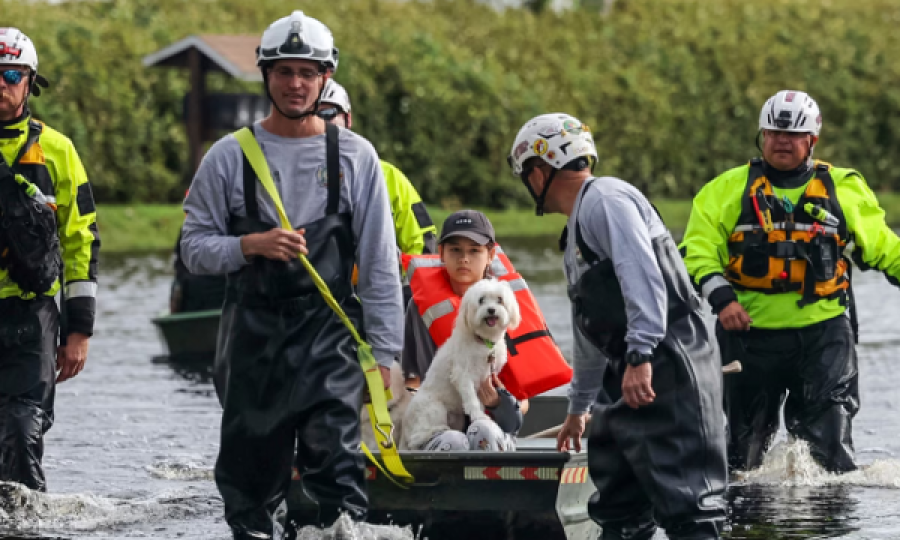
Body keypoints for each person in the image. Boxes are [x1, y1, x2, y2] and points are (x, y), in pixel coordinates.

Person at [179, 11, 403, 539]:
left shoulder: (357, 157)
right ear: (265, 75)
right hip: (252, 337)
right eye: (284, 72)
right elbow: (193, 250)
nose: (296, 83)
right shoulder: (227, 157)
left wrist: (388, 357)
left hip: (329, 336)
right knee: (249, 482)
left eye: (308, 72)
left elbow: (378, 266)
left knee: (337, 466)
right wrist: (248, 246)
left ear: (326, 77)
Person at [508, 113, 727, 539]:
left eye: (527, 175)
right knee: (618, 510)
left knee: (689, 507)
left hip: (669, 363)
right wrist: (578, 408)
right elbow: (590, 334)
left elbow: (640, 275)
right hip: (625, 373)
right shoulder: (575, 234)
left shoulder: (606, 199)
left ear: (540, 171)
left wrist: (641, 353)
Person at [681, 90, 900, 474]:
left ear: (811, 141)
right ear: (762, 136)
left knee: (829, 455)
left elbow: (885, 248)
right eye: (773, 133)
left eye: (793, 135)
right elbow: (697, 251)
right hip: (747, 337)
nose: (782, 141)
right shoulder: (725, 190)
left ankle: (825, 529)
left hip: (823, 339)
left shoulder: (843, 188)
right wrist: (722, 300)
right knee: (743, 459)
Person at [0, 27, 99, 492]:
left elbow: (81, 239)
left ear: (28, 82)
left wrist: (78, 331)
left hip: (30, 315)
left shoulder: (57, 150)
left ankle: (29, 523)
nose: (1, 84)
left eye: (11, 75)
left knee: (22, 434)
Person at [400, 210, 523, 452]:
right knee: (453, 441)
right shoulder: (418, 305)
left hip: (494, 424)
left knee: (483, 430)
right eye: (455, 250)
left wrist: (498, 402)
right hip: (441, 423)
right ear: (441, 254)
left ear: (491, 255)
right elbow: (411, 378)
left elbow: (523, 402)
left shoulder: (508, 306)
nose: (464, 259)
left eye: (474, 250)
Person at [318, 79, 437, 304]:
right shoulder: (288, 177)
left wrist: (409, 297)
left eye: (328, 114)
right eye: (311, 116)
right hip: (314, 307)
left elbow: (422, 243)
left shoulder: (388, 176)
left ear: (348, 119)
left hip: (378, 302)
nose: (319, 124)